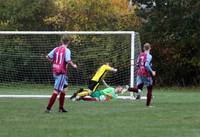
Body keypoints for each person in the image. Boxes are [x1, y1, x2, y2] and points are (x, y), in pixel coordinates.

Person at [45, 38, 77, 113]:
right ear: (68, 42)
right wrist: (74, 65)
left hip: (55, 71)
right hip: (61, 73)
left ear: (61, 42)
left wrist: (54, 62)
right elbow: (68, 60)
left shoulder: (56, 48)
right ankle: (48, 109)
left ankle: (61, 108)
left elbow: (47, 57)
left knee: (64, 89)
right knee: (56, 91)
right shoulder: (67, 50)